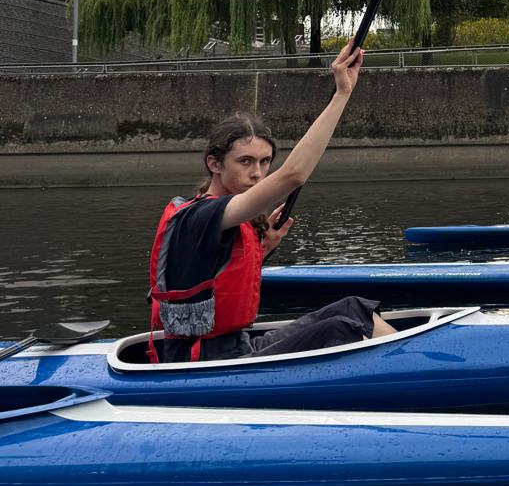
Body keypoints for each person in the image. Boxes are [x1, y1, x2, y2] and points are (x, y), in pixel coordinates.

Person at [148, 42, 397, 362]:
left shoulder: (226, 221)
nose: (258, 173)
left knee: (351, 307)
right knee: (340, 329)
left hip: (236, 346)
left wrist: (262, 250)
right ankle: (420, 373)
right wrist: (341, 95)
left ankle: (413, 361)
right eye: (246, 162)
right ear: (215, 164)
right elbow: (293, 175)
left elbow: (216, 280)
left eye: (265, 162)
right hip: (205, 360)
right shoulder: (202, 214)